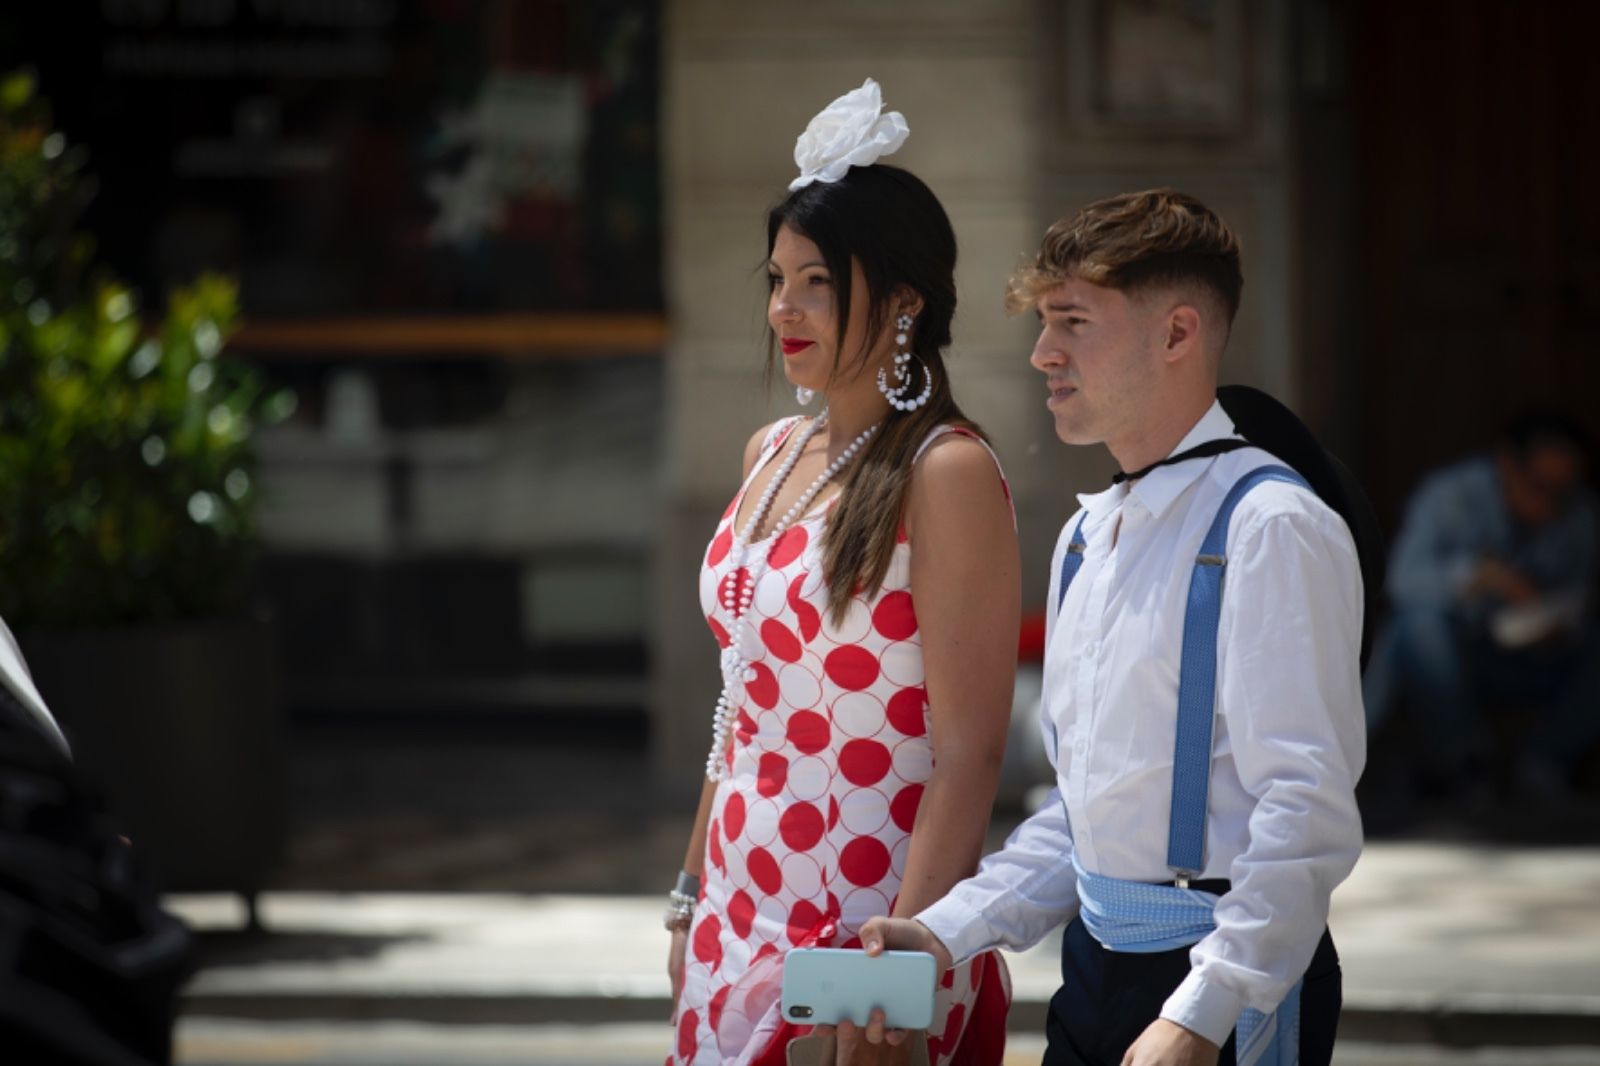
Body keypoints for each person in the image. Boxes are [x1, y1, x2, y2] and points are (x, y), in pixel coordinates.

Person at [857, 190, 1365, 1066]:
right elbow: (1083, 816)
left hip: (1223, 984)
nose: (1042, 353)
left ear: (1177, 334)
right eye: (1044, 322)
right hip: (1092, 973)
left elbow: (1305, 808)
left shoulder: (1270, 526)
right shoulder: (1087, 536)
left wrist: (1201, 1012)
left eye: (1074, 322)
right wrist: (944, 931)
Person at [664, 80, 1019, 1066]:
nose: (783, 308)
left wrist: (892, 982)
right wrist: (689, 894)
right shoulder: (771, 450)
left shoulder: (944, 470)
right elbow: (736, 707)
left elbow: (970, 754)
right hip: (734, 908)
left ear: (902, 300)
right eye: (776, 279)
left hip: (861, 925)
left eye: (816, 281)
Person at [1363, 412, 1599, 801]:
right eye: (1538, 486)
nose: (1548, 504)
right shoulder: (1452, 495)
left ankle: (1544, 763)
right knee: (1417, 627)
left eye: (1562, 493)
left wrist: (1553, 621)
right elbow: (1401, 581)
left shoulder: (1580, 515)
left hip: (1535, 661)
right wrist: (1478, 577)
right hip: (1455, 661)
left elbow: (1580, 601)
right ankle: (1465, 766)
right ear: (1507, 464)